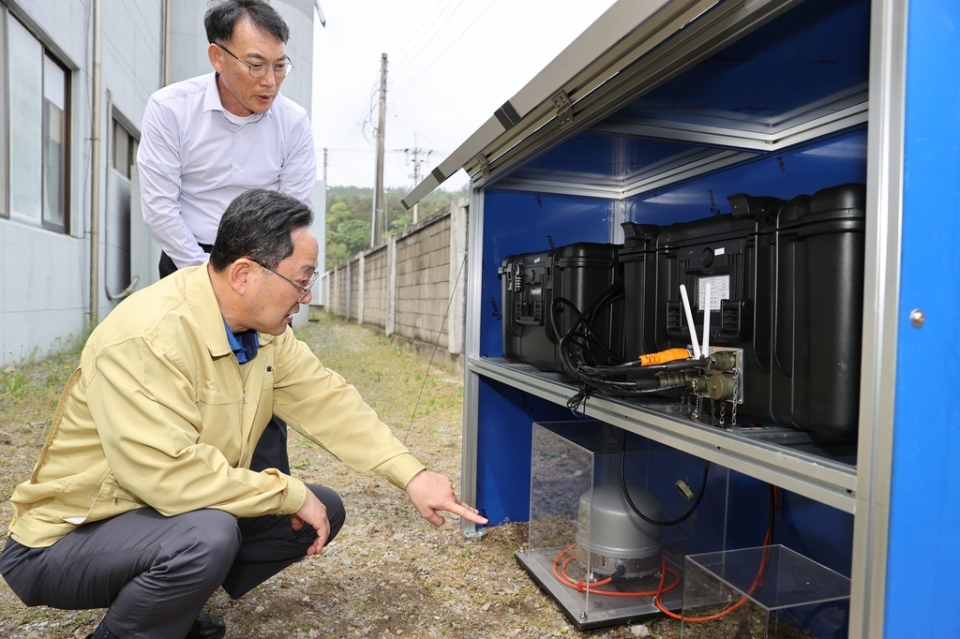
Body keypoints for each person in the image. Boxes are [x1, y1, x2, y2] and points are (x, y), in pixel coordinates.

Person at [0, 189, 487, 639]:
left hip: (150, 516)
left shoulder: (266, 333)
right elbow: (166, 476)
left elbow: (327, 399)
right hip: (64, 541)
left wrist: (412, 474)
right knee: (208, 535)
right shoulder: (148, 337)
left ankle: (169, 608)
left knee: (321, 508)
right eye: (301, 281)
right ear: (244, 274)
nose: (307, 295)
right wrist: (286, 490)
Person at [137, 0, 317, 475]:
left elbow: (292, 213)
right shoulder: (170, 108)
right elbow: (159, 205)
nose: (270, 81)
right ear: (218, 57)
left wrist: (259, 279)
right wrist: (206, 280)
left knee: (262, 389)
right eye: (256, 65)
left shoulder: (293, 122)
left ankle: (266, 501)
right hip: (185, 260)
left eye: (280, 66)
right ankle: (179, 490)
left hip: (261, 270)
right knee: (178, 381)